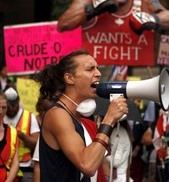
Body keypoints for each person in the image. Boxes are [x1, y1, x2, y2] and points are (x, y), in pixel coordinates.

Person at [32, 49, 128, 182]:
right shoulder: (58, 114)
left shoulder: (75, 115)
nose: (98, 73)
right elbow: (87, 165)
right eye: (90, 69)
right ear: (70, 78)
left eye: (97, 68)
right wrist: (109, 119)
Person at [3, 87, 40, 181]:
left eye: (14, 105)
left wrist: (22, 136)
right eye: (8, 106)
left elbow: (37, 144)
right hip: (3, 166)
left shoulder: (29, 117)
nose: (11, 109)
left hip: (24, 167)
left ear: (18, 101)